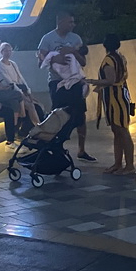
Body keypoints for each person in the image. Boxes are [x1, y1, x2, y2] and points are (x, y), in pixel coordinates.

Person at [37, 11, 95, 162]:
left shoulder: (76, 39)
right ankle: (57, 147)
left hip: (74, 82)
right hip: (56, 82)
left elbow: (83, 62)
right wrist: (55, 58)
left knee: (80, 115)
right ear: (60, 22)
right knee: (59, 115)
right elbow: (41, 61)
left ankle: (82, 150)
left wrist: (73, 52)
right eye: (70, 22)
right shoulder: (47, 38)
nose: (73, 25)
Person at [87, 34, 135, 176]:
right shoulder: (120, 57)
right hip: (120, 95)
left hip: (115, 98)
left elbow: (110, 79)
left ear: (105, 45)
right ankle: (118, 163)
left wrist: (92, 81)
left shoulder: (108, 60)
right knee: (118, 131)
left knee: (122, 131)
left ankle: (129, 165)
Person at [0, 42, 42, 144]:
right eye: (5, 50)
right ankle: (39, 128)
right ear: (1, 52)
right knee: (30, 106)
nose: (7, 53)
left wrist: (28, 92)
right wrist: (22, 94)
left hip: (20, 89)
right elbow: (9, 82)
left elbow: (21, 78)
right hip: (11, 91)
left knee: (36, 106)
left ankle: (33, 129)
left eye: (9, 50)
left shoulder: (13, 63)